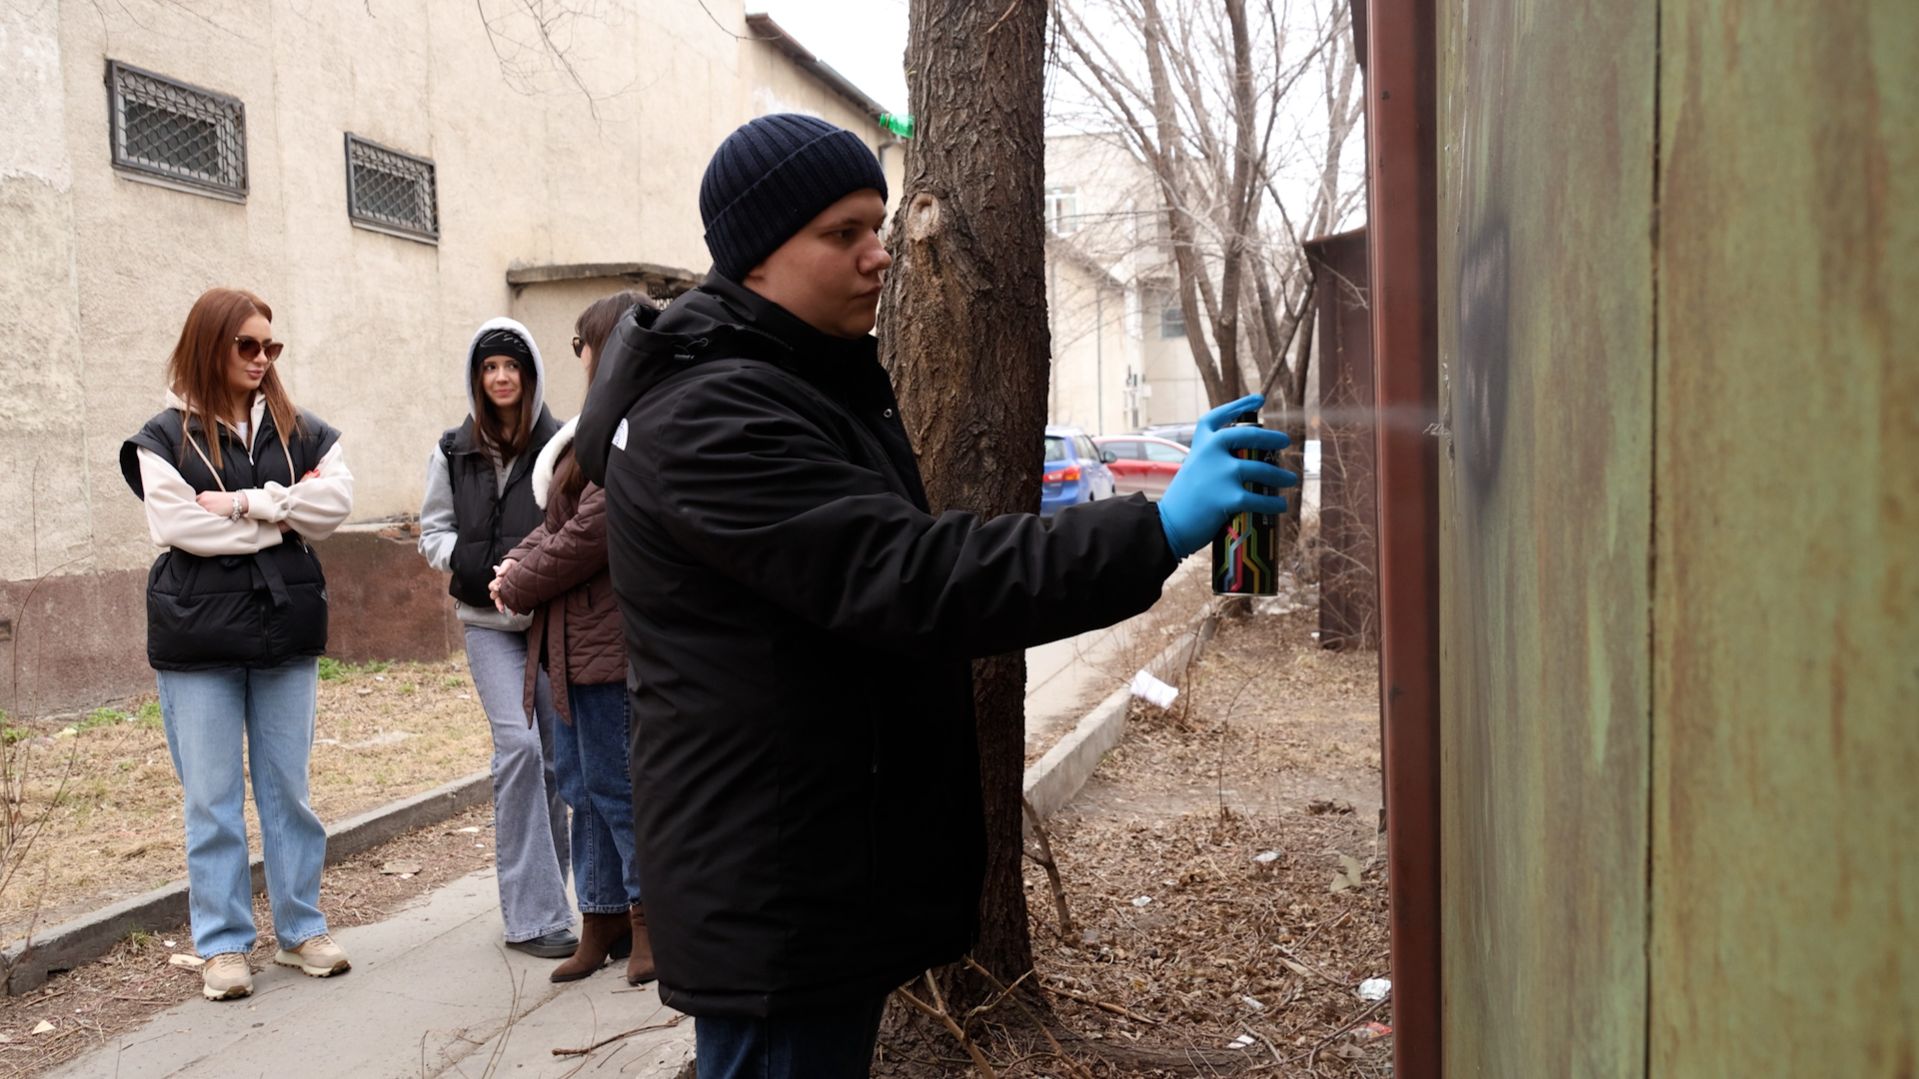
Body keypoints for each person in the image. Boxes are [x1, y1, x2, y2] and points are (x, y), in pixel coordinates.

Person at [573, 114, 1296, 1077]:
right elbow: (913, 577)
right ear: (756, 254)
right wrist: (1153, 528)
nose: (881, 257)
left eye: (877, 226)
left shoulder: (797, 382)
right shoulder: (712, 416)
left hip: (811, 865)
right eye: (844, 234)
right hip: (773, 886)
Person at [118, 287, 356, 1002]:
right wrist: (289, 513)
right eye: (246, 345)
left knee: (289, 789)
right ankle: (222, 944)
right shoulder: (162, 437)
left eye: (270, 347)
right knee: (212, 797)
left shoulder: (300, 428)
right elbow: (179, 527)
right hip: (196, 637)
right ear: (208, 345)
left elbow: (336, 503)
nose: (261, 358)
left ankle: (301, 928)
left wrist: (252, 503)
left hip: (285, 630)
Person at [490, 292, 659, 984]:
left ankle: (651, 923)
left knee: (617, 789)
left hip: (608, 641)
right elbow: (557, 527)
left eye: (580, 343)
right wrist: (511, 569)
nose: (578, 357)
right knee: (583, 790)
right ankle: (601, 916)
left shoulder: (629, 426)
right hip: (571, 645)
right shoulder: (596, 428)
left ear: (605, 345)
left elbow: (591, 532)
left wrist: (516, 580)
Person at [418, 318, 577, 959]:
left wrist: (528, 573)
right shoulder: (452, 449)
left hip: (544, 621)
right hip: (487, 625)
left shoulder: (561, 447)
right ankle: (532, 918)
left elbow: (568, 529)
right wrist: (479, 569)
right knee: (517, 746)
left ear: (530, 374)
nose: (502, 376)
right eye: (490, 367)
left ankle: (551, 901)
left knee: (554, 761)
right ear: (477, 378)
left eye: (512, 365)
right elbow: (433, 532)